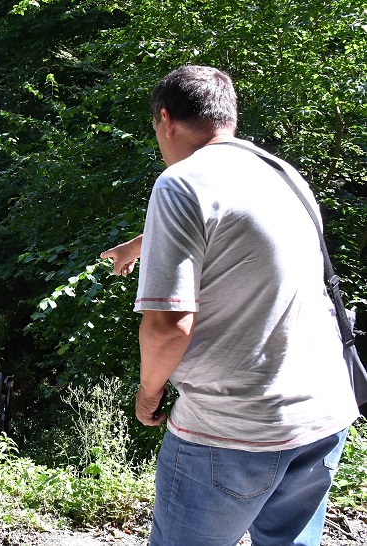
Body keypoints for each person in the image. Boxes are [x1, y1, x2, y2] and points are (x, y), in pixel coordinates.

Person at [100, 65, 358, 546]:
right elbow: (237, 229)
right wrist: (139, 245)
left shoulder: (180, 182)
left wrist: (148, 393)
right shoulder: (281, 174)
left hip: (233, 431)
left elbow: (169, 327)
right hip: (323, 416)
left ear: (165, 119)